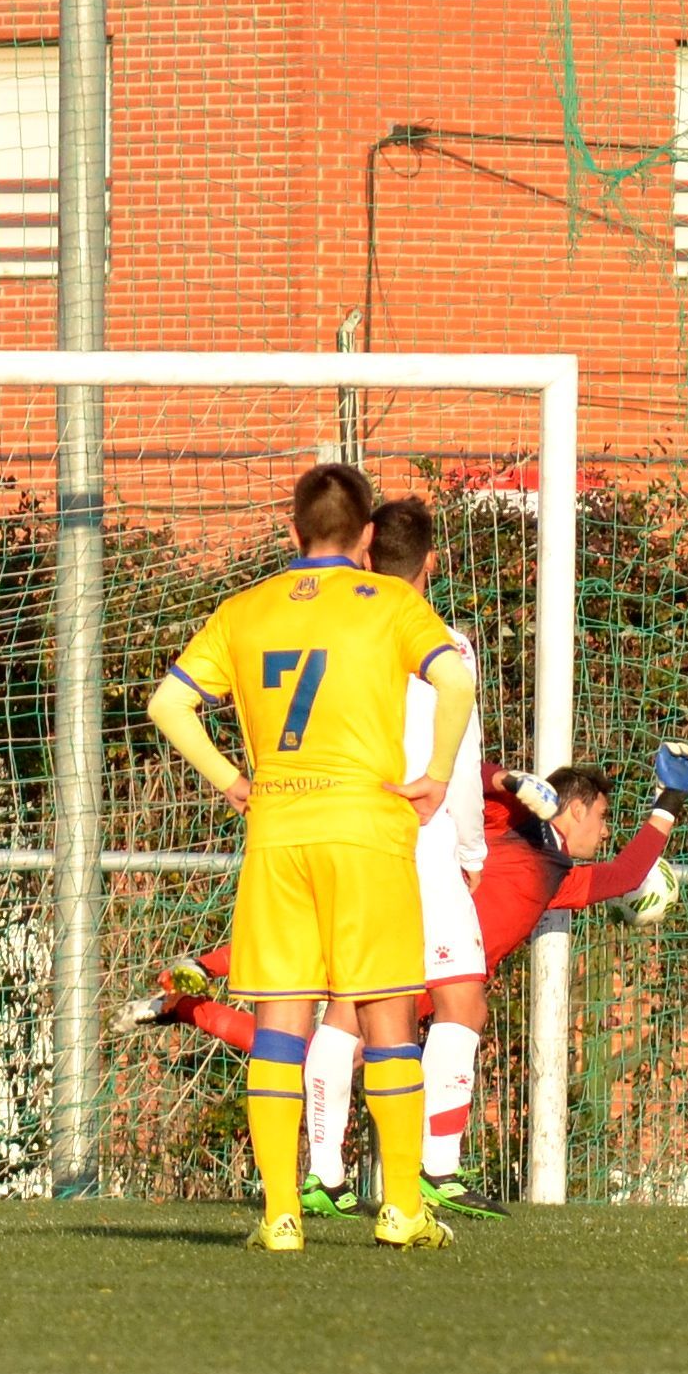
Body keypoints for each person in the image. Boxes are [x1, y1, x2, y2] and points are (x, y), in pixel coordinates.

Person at [127, 746, 688, 1218]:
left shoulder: (558, 878)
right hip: (412, 943)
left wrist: (669, 799)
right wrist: (509, 780)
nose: (604, 832)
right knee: (320, 987)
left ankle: (188, 1010)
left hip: (434, 974)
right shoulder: (519, 825)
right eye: (602, 818)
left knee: (309, 1052)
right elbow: (466, 781)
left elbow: (627, 874)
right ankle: (206, 970)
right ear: (576, 808)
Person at [146, 463, 477, 1253]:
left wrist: (232, 780)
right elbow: (454, 678)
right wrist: (433, 774)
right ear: (367, 537)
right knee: (390, 1019)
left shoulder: (245, 609)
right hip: (367, 829)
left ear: (291, 531)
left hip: (281, 830)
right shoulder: (393, 602)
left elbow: (168, 703)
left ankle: (281, 1215)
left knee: (282, 1023)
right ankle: (401, 1208)